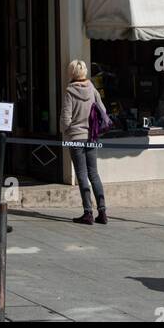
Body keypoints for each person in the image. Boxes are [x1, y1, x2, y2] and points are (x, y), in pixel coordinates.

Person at [60, 59, 107, 226]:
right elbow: (103, 110)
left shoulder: (70, 92)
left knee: (81, 174)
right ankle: (102, 211)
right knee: (94, 173)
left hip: (76, 138)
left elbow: (66, 119)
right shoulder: (92, 88)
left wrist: (65, 131)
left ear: (71, 73)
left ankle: (87, 212)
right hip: (92, 136)